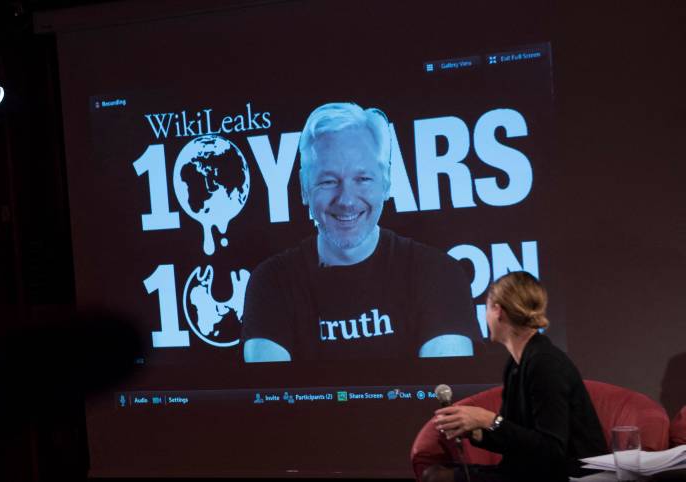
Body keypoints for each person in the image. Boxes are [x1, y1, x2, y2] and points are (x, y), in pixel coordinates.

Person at [241, 102, 478, 362]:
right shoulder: (272, 283)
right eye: (328, 181)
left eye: (362, 179)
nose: (346, 200)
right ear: (304, 187)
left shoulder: (440, 274)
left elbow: (447, 396)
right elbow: (269, 399)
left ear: (386, 183)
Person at [427, 271, 607, 482]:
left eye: (486, 308)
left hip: (567, 474)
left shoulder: (545, 363)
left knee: (440, 478)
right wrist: (474, 430)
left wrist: (488, 419)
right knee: (434, 474)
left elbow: (552, 450)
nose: (484, 317)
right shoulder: (516, 363)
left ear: (498, 311)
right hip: (530, 469)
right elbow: (515, 437)